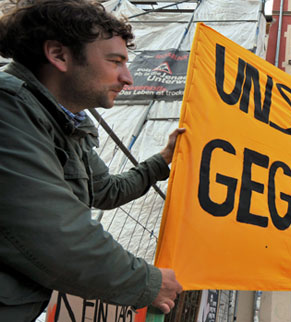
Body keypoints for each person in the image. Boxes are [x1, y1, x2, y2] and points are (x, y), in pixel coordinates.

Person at [0, 0, 184, 320]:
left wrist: (163, 159)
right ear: (59, 55)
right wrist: (147, 282)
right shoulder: (8, 106)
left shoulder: (66, 124)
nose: (127, 78)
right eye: (115, 61)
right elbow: (55, 233)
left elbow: (105, 190)